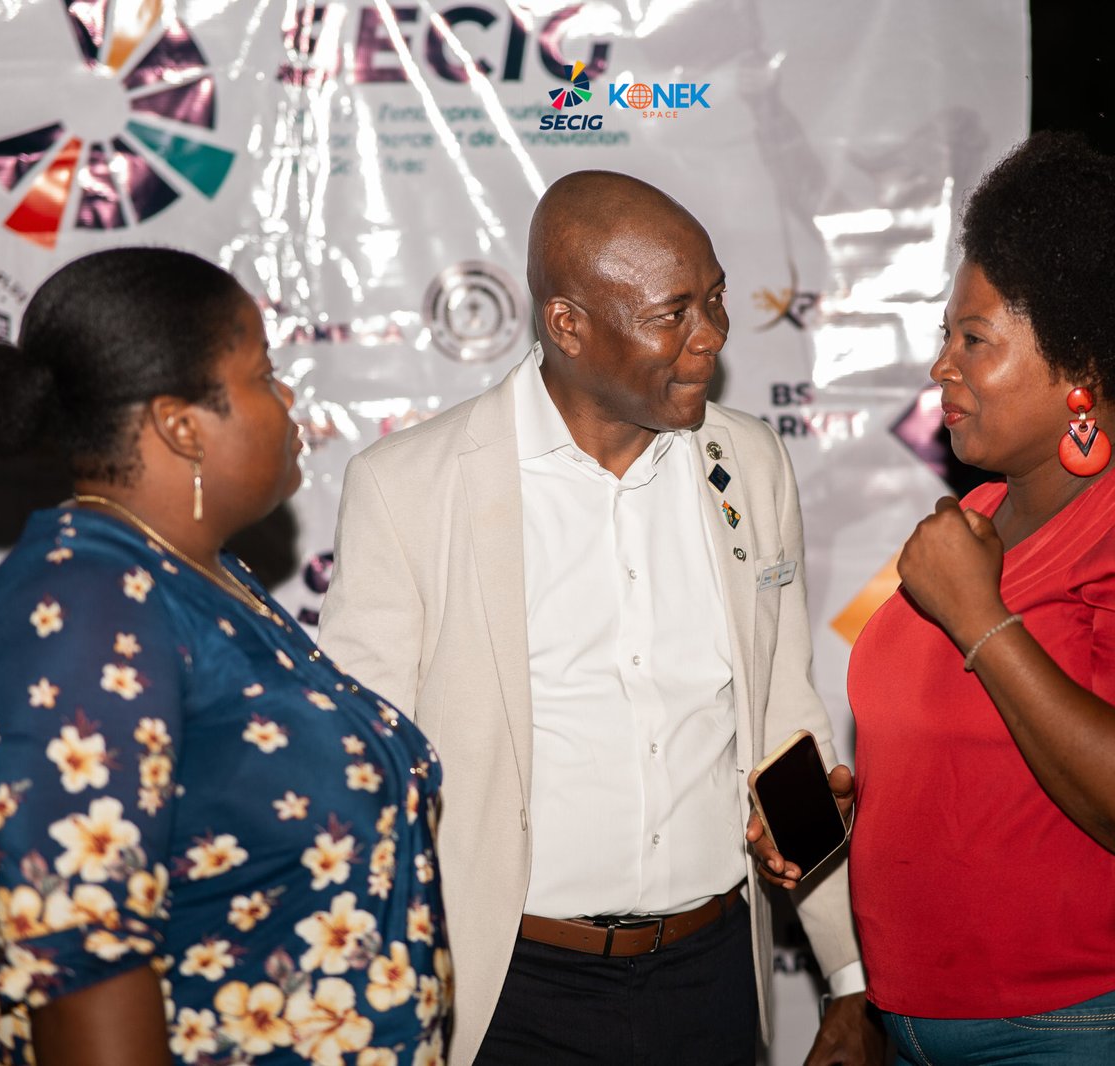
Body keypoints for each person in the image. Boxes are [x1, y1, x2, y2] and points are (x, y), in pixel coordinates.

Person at [317, 171, 882, 1065]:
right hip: (509, 993)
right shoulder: (409, 487)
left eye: (715, 299)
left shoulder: (749, 461)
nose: (712, 335)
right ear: (568, 324)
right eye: (672, 314)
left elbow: (782, 711)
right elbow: (363, 772)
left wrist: (848, 976)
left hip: (711, 977)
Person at [0, 248, 448, 1066]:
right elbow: (84, 970)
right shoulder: (84, 606)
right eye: (264, 377)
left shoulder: (201, 579)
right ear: (181, 425)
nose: (289, 401)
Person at [847, 132, 1115, 1064]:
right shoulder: (975, 521)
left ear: (1079, 366)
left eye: (974, 339)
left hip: (1113, 1024)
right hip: (926, 1031)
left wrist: (981, 620)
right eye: (945, 337)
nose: (942, 367)